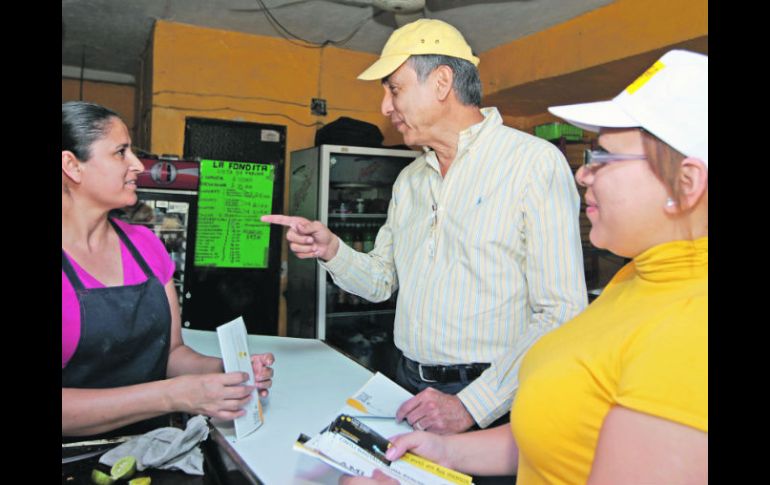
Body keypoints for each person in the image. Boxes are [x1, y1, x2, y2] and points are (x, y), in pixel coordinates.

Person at [342, 49, 708, 484]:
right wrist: (445, 452)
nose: (582, 175)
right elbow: (554, 437)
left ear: (686, 183)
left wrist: (471, 407)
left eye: (606, 158)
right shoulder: (634, 283)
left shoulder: (690, 323)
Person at [263, 19, 586, 434]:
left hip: (494, 398)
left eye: (394, 89)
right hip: (408, 384)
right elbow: (381, 281)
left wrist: (471, 405)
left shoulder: (533, 163)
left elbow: (561, 311)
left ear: (441, 82)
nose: (385, 107)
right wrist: (332, 250)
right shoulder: (410, 180)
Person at [62, 101, 275, 439]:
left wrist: (224, 372)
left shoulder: (146, 245)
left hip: (152, 447)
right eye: (120, 152)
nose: (137, 165)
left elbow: (172, 354)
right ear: (72, 166)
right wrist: (172, 395)